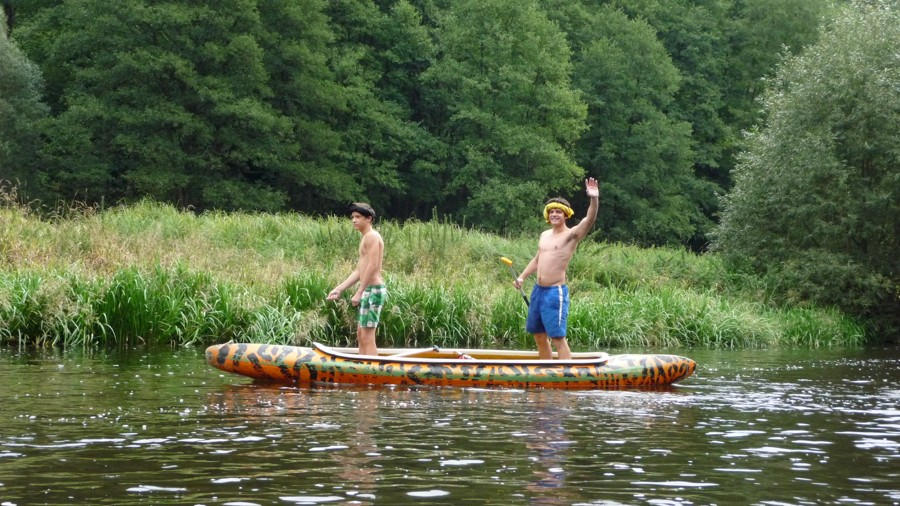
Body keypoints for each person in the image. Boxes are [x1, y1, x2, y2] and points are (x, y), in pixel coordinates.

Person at [513, 178, 599, 359]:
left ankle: (567, 372)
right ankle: (547, 370)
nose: (554, 214)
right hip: (538, 291)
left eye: (558, 211)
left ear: (565, 215)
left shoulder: (571, 235)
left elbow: (589, 220)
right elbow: (538, 259)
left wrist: (594, 199)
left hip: (555, 293)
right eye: (551, 211)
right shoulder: (544, 235)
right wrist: (522, 277)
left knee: (557, 337)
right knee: (539, 335)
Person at [326, 202, 386, 356]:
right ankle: (361, 364)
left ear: (369, 218)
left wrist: (359, 292)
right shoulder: (365, 237)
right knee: (360, 334)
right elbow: (360, 271)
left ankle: (371, 368)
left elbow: (373, 266)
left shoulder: (372, 236)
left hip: (374, 290)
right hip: (368, 290)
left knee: (367, 336)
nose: (354, 220)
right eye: (352, 217)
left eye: (358, 217)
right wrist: (339, 289)